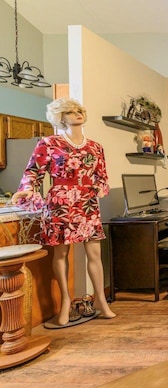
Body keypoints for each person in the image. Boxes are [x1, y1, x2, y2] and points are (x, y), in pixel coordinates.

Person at [12, 98, 116, 326]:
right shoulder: (49, 143)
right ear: (60, 117)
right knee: (60, 254)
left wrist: (98, 188)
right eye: (70, 111)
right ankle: (66, 303)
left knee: (95, 254)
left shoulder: (95, 147)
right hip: (59, 203)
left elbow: (102, 177)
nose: (77, 114)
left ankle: (101, 300)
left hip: (87, 205)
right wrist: (27, 190)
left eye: (79, 110)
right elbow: (33, 172)